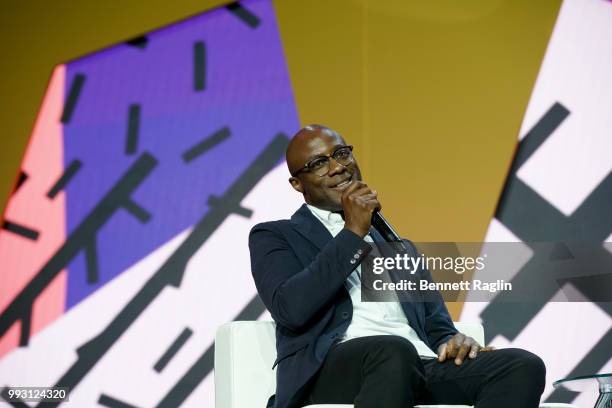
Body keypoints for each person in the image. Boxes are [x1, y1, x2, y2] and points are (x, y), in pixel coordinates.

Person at [249, 124, 546, 408]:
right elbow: (291, 310)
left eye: (341, 153)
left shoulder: (397, 246)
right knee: (391, 351)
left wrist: (453, 340)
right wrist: (352, 233)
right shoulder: (276, 235)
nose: (338, 167)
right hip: (328, 371)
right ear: (297, 183)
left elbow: (436, 327)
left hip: (412, 364)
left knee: (520, 366)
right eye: (318, 163)